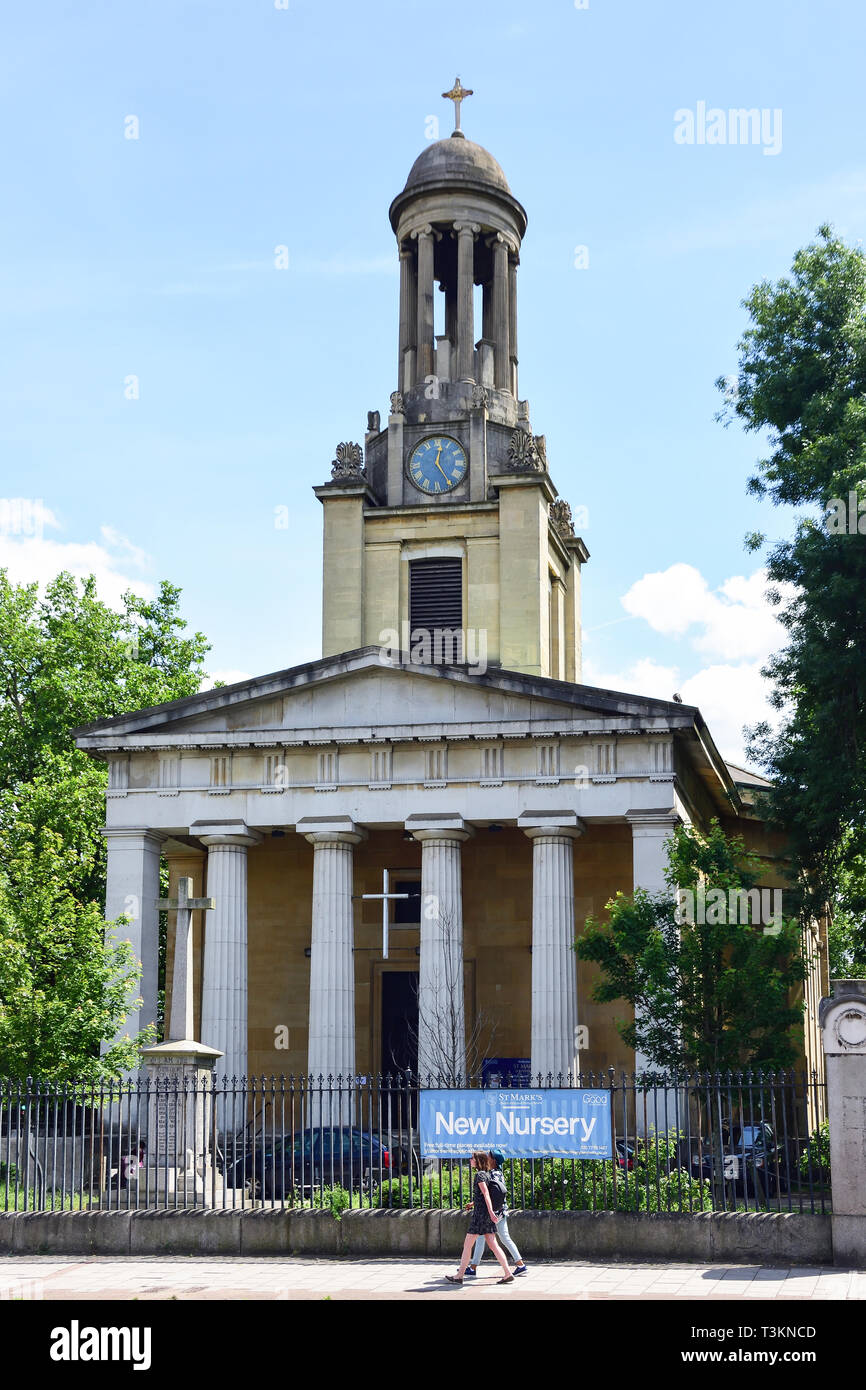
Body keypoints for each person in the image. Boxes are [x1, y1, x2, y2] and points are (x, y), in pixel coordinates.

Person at [444, 1152, 514, 1284]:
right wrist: (475, 1204)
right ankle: (508, 1273)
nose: (470, 1160)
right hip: (485, 1214)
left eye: (472, 1158)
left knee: (467, 1245)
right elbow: (483, 1196)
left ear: (477, 1161)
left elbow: (486, 1194)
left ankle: (459, 1276)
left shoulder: (480, 1175)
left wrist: (491, 1212)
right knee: (494, 1245)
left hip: (481, 1216)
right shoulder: (487, 1174)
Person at [464, 1150, 527, 1277]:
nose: (487, 1157)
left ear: (493, 1160)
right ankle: (473, 1267)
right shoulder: (498, 1173)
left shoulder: (492, 1174)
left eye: (489, 1156)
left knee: (492, 1238)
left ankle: (519, 1264)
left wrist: (490, 1211)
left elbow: (489, 1194)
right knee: (489, 1238)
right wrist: (474, 1203)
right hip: (499, 1211)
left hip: (493, 1212)